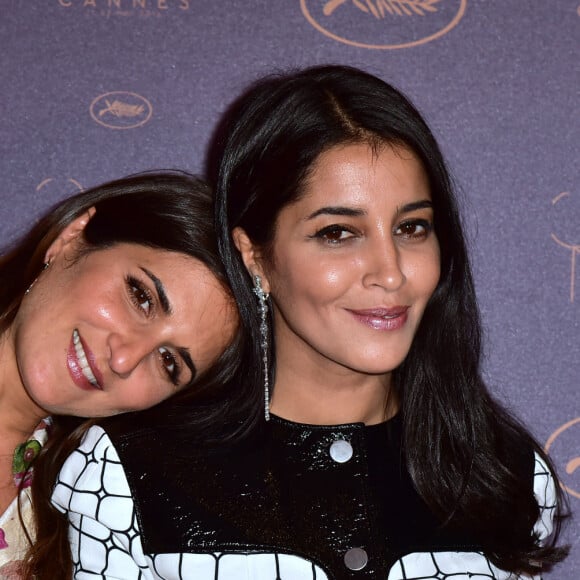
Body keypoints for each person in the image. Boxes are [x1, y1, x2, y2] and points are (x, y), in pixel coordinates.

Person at [52, 66, 567, 579]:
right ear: (255, 256)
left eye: (412, 227)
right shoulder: (126, 474)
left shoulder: (509, 475)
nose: (391, 274)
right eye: (338, 233)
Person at [0, 171, 238, 578]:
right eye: (140, 296)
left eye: (169, 363)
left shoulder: (81, 537)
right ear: (72, 238)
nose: (125, 358)